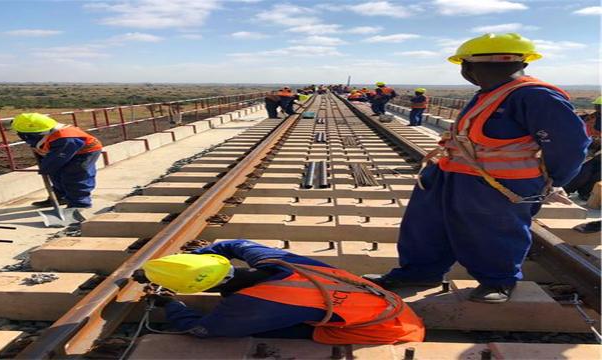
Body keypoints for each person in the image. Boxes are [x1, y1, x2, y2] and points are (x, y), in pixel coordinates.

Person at [363, 33, 590, 303]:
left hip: (499, 182)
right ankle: (420, 272)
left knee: (493, 231)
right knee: (425, 224)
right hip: (451, 173)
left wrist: (554, 179)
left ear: (469, 67)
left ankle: (498, 281)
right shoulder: (490, 94)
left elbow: (570, 144)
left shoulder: (536, 97)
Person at [134, 239, 425, 344]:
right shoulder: (276, 262)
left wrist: (170, 304)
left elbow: (201, 330)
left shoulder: (255, 303)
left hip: (389, 329)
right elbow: (236, 243)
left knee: (257, 332)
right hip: (383, 301)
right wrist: (201, 253)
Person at [11, 113, 102, 209]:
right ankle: (60, 197)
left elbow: (58, 157)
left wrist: (46, 167)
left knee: (74, 176)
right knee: (56, 175)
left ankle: (79, 204)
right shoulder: (40, 130)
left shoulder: (65, 137)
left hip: (85, 152)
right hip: (63, 151)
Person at [564, 96, 601, 200]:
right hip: (585, 150)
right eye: (598, 107)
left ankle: (585, 192)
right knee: (583, 170)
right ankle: (568, 189)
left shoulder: (586, 118)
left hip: (592, 151)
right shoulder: (587, 119)